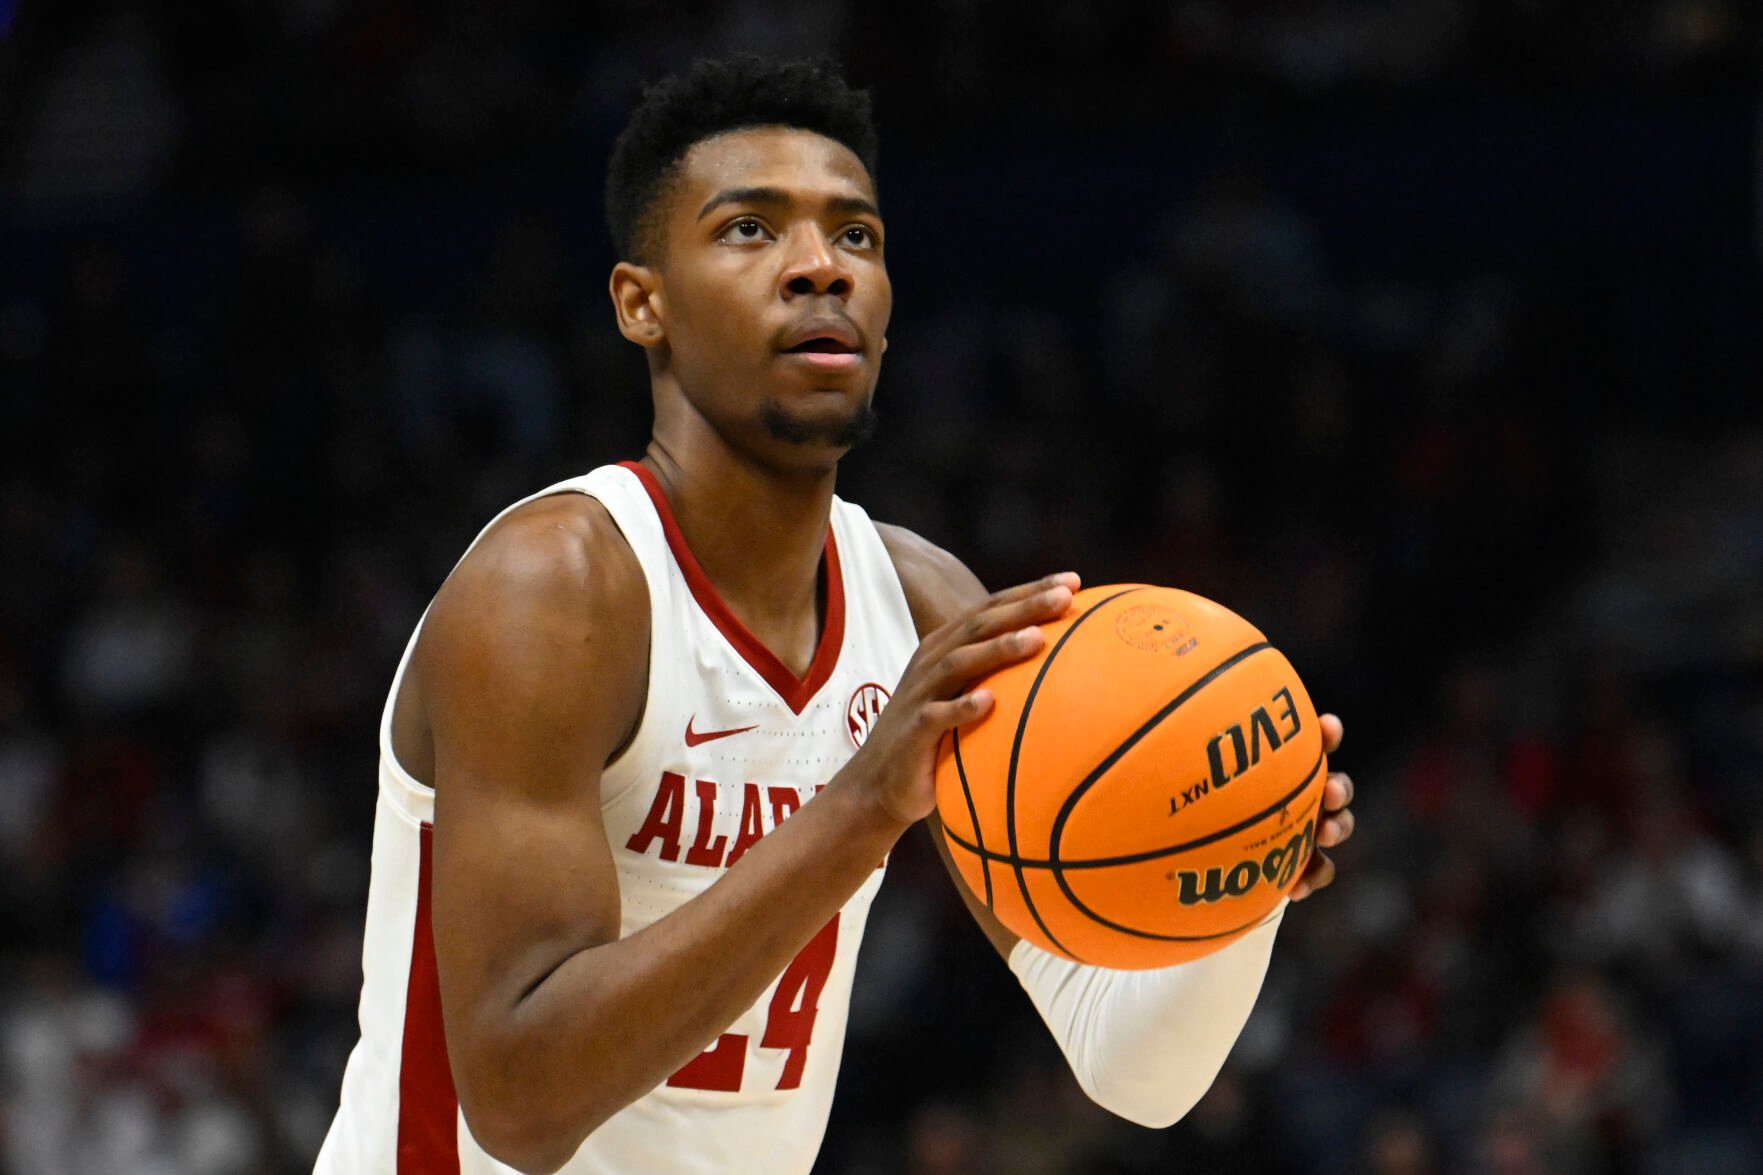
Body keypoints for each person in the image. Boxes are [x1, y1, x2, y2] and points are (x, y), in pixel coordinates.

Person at [315, 55, 1357, 1175]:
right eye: (751, 230)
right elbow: (519, 1102)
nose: (819, 267)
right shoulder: (555, 589)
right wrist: (859, 807)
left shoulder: (921, 606)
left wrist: (1243, 868)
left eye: (854, 236)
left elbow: (1130, 1068)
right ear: (640, 302)